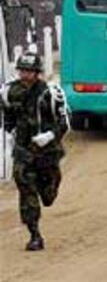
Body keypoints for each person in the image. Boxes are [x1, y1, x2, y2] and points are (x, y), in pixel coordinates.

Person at [0, 51, 69, 251]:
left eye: (29, 71)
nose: (25, 75)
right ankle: (35, 234)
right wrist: (11, 130)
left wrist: (49, 136)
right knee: (26, 189)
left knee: (48, 196)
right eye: (22, 70)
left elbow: (64, 123)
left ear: (37, 72)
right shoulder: (9, 92)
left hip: (48, 152)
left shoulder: (50, 93)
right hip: (23, 152)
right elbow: (6, 115)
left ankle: (50, 188)